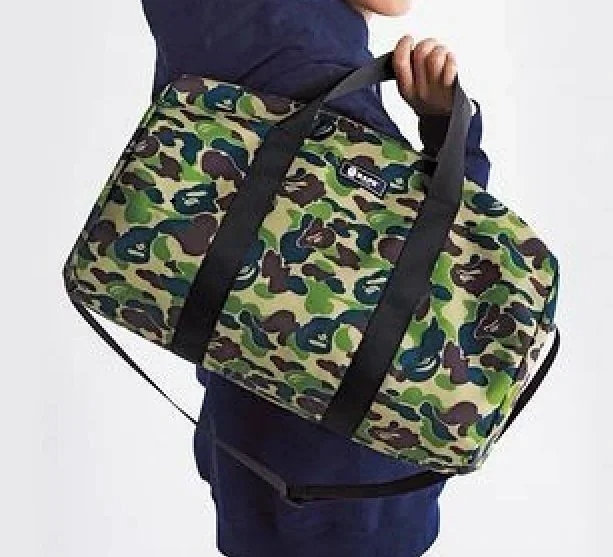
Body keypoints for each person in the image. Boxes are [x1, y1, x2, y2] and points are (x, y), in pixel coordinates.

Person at [140, 1, 491, 555]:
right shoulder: (309, 66)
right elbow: (440, 260)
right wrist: (453, 131)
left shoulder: (203, 31)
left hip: (246, 450)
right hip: (346, 486)